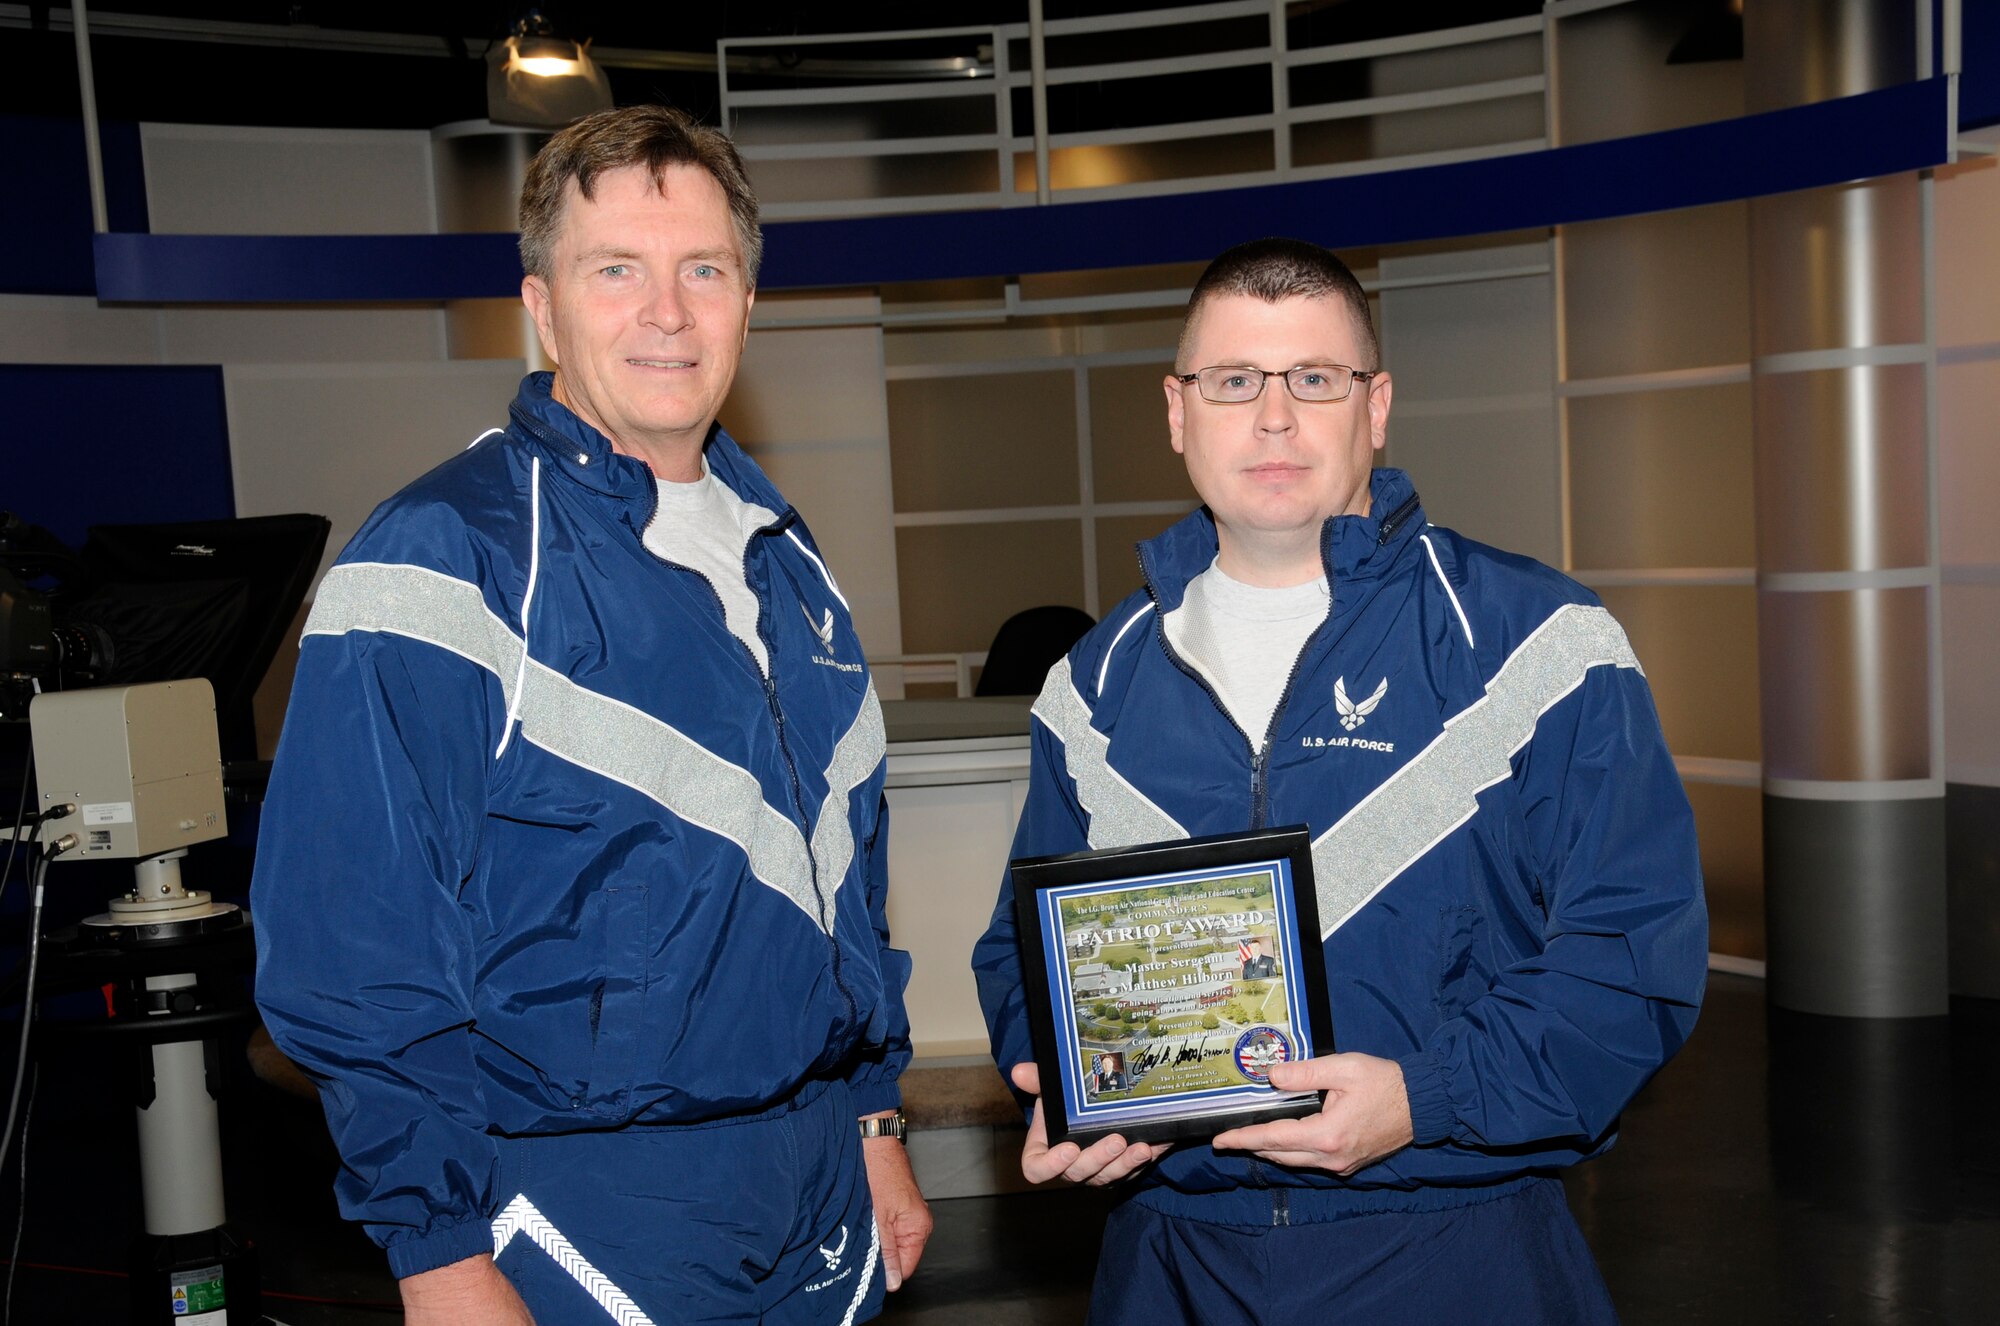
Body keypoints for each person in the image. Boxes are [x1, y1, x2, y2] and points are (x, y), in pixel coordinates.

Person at [253, 104, 930, 1325]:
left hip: (821, 1183)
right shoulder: (440, 559)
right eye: (614, 270)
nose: (666, 311)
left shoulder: (789, 560)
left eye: (702, 271)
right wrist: (437, 1249)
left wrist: (873, 1117)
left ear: (745, 303)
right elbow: (358, 945)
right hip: (587, 1199)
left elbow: (847, 875)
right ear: (542, 304)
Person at [971, 237, 1706, 1323]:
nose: (1273, 419)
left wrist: (1427, 1097)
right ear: (1176, 413)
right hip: (1172, 1262)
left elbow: (1631, 964)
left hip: (1455, 1250)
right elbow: (1019, 953)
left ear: (1376, 406)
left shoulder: (1536, 644)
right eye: (1232, 382)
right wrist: (1071, 1081)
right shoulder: (1093, 684)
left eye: (1314, 379)